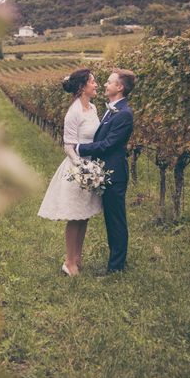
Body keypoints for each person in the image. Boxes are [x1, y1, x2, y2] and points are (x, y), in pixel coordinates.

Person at [38, 69, 102, 276]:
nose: (96, 85)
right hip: (77, 169)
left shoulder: (92, 108)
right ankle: (68, 261)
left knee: (84, 216)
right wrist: (81, 166)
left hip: (90, 166)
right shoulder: (73, 112)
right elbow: (68, 146)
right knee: (74, 216)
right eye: (93, 81)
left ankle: (77, 258)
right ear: (83, 87)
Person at [77, 69, 135, 273]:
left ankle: (116, 267)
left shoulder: (124, 114)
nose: (104, 85)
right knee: (111, 219)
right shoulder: (113, 110)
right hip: (107, 172)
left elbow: (108, 144)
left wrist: (79, 148)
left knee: (116, 220)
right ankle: (116, 263)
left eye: (109, 82)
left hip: (115, 174)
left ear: (119, 87)